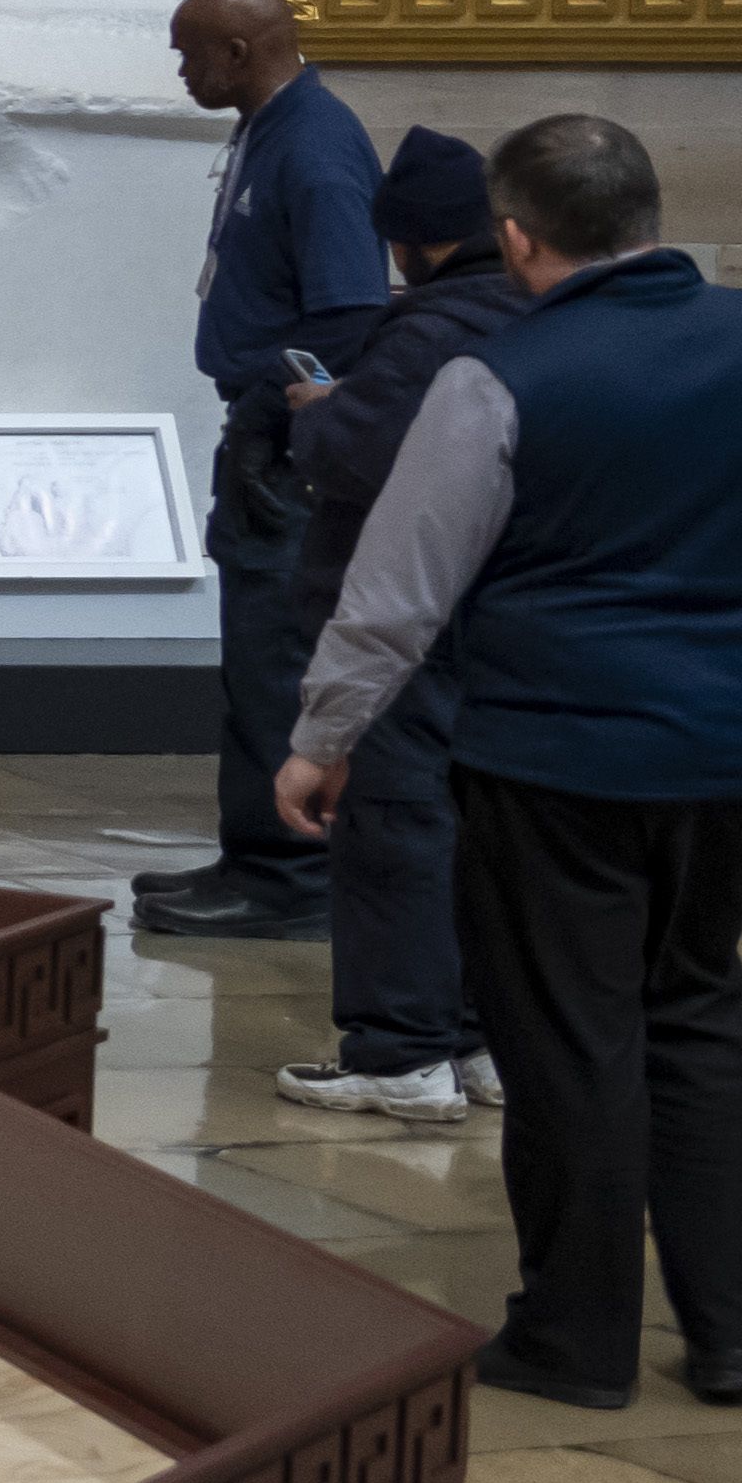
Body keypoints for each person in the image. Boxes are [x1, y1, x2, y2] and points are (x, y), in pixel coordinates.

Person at [280, 112, 742, 1412]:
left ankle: (571, 1338)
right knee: (691, 1009)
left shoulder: (497, 376)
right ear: (645, 213)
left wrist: (322, 735)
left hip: (551, 753)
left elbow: (397, 590)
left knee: (566, 1033)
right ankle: (731, 1329)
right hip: (740, 750)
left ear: (513, 235)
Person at [143, 0, 396, 942]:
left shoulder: (319, 147)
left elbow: (344, 314)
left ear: (240, 53)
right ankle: (249, 854)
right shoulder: (269, 128)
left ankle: (290, 874)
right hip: (258, 423)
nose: (181, 69)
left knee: (275, 652)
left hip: (285, 445)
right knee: (250, 651)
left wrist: (283, 421)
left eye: (189, 52)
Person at [274, 128, 520, 1125]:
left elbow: (363, 457)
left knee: (393, 823)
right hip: (508, 612)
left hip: (416, 612)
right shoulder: (545, 314)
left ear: (415, 243)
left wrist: (317, 411)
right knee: (478, 826)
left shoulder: (428, 329)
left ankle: (401, 1053)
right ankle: (477, 1037)